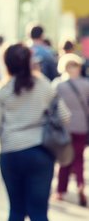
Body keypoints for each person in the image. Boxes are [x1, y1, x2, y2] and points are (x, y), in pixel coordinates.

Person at [0, 43, 71, 221]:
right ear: (29, 61)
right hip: (41, 153)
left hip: (10, 154)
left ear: (6, 63)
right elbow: (65, 116)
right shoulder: (43, 84)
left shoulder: (1, 91)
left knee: (16, 211)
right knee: (39, 212)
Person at [53, 53, 89, 206]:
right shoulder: (86, 84)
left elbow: (52, 106)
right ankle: (80, 184)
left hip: (64, 127)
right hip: (82, 126)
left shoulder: (58, 85)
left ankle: (61, 191)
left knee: (64, 159)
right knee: (79, 157)